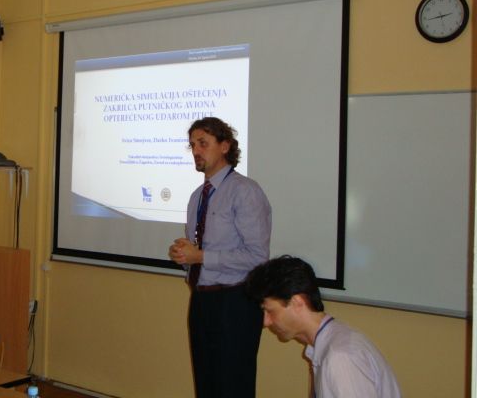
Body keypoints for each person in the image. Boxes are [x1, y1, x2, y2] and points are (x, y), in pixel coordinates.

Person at [168, 117, 272, 398]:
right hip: (201, 300)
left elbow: (257, 257)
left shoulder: (245, 191)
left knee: (233, 386)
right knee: (206, 382)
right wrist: (185, 255)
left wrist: (200, 256)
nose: (196, 151)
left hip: (236, 302)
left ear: (225, 146)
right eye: (192, 145)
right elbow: (201, 248)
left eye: (203, 143)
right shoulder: (197, 197)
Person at [246, 256, 401, 398]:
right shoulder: (328, 344)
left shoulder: (340, 359)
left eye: (270, 311)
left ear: (297, 302)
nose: (266, 322)